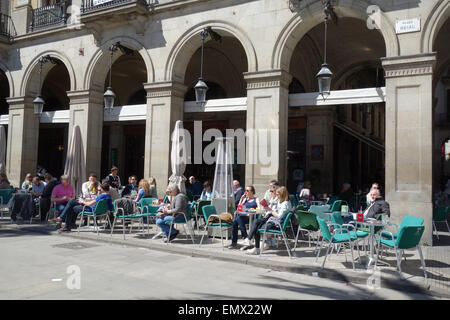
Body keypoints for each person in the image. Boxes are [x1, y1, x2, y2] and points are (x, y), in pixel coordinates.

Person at [246, 186, 293, 255]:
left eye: (278, 194)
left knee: (257, 227)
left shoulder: (285, 204)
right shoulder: (282, 202)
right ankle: (251, 242)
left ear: (282, 194)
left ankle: (255, 247)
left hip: (278, 224)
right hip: (275, 221)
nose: (277, 196)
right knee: (256, 223)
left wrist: (270, 210)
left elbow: (279, 216)